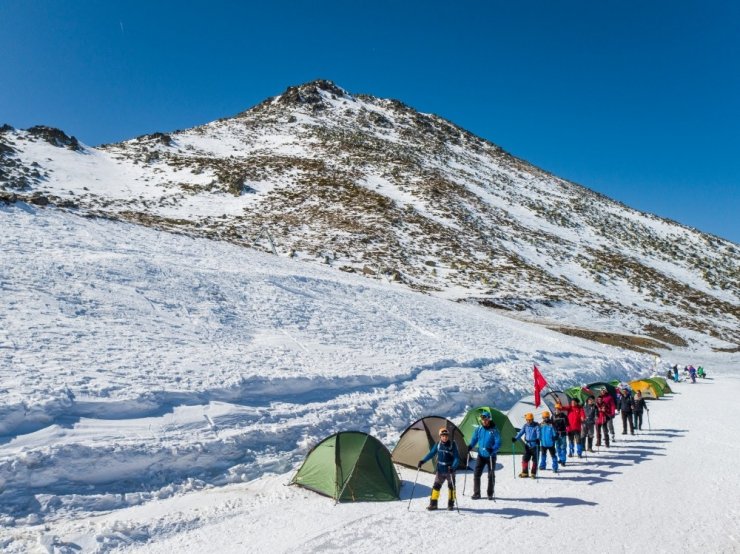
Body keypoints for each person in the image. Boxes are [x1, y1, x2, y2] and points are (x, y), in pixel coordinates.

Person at [418, 428, 460, 511]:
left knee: (451, 487)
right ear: (440, 436)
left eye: (446, 436)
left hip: (450, 470)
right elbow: (431, 454)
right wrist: (423, 461)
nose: (445, 437)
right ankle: (433, 504)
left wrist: (453, 467)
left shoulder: (452, 445)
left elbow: (457, 458)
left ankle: (450, 504)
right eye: (443, 436)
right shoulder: (438, 444)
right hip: (440, 470)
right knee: (436, 487)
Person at [467, 411, 501, 500]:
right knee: (476, 474)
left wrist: (493, 449)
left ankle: (490, 493)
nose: (484, 421)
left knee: (491, 475)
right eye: (483, 420)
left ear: (489, 419)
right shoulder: (479, 429)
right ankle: (477, 493)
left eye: (486, 419)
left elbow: (498, 442)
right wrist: (470, 446)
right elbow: (474, 439)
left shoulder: (494, 430)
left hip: (491, 456)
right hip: (481, 455)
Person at [513, 413, 540, 478]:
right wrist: (515, 438)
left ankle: (533, 473)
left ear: (532, 419)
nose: (528, 421)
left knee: (535, 460)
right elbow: (521, 433)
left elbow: (538, 432)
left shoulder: (536, 426)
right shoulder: (525, 426)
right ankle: (525, 473)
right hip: (527, 445)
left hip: (535, 445)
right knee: (525, 459)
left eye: (530, 420)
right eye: (527, 420)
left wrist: (538, 439)